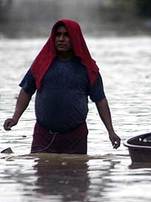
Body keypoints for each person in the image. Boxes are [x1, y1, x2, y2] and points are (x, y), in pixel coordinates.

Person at [3, 19, 121, 154]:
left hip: (76, 137)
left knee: (77, 170)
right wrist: (15, 117)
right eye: (58, 35)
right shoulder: (41, 63)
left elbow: (100, 100)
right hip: (44, 136)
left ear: (75, 39)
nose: (61, 39)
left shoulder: (88, 68)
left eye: (66, 35)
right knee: (43, 170)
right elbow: (26, 91)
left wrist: (111, 131)